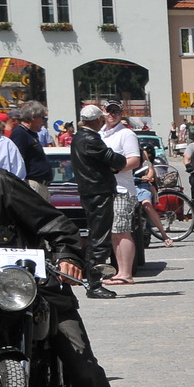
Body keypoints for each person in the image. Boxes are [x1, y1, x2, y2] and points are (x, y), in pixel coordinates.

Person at [0, 166, 137, 387]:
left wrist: (64, 255)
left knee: (83, 366)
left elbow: (56, 224)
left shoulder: (0, 184)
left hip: (31, 290)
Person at [70, 105, 126, 284]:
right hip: (98, 191)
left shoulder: (78, 138)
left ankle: (93, 278)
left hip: (90, 190)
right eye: (101, 119)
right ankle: (95, 281)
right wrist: (113, 164)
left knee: (96, 234)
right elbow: (115, 159)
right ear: (95, 121)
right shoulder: (91, 139)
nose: (102, 121)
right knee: (100, 237)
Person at [97, 104, 143, 285]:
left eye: (116, 112)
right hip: (107, 189)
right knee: (114, 233)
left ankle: (126, 273)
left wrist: (114, 169)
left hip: (122, 190)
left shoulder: (126, 134)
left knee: (122, 231)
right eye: (109, 111)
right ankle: (120, 271)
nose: (112, 115)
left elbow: (135, 160)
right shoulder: (101, 134)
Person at [10, 102, 50, 200]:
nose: (44, 122)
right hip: (32, 185)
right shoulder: (20, 134)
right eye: (43, 118)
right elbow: (16, 161)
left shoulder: (31, 134)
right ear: (33, 117)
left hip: (40, 185)